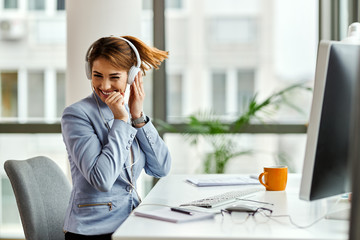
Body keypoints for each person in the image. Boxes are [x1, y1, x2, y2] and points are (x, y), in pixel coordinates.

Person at [61, 36, 171, 240]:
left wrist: (137, 116)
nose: (104, 85)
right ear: (89, 73)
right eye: (97, 75)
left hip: (129, 225)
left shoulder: (130, 113)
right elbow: (101, 180)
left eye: (114, 77)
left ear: (130, 76)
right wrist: (121, 120)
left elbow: (161, 168)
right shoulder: (76, 115)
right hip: (93, 231)